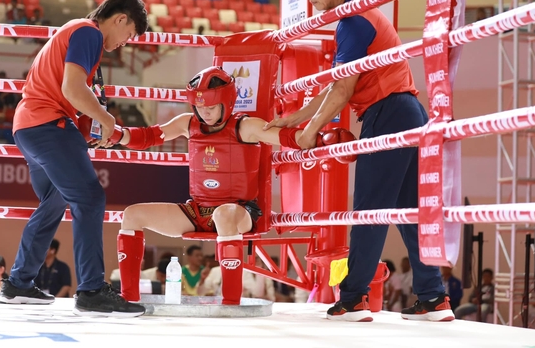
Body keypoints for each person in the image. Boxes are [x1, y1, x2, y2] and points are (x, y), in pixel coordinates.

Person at [263, 0, 454, 322]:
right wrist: (295, 119)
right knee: (408, 210)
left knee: (369, 208)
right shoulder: (358, 15)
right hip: (409, 112)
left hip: (388, 113)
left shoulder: (351, 20)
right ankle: (433, 297)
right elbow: (335, 86)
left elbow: (342, 90)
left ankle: (353, 298)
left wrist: (308, 133)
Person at [114, 66, 356, 305]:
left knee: (224, 215)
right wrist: (117, 135)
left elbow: (294, 139)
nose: (204, 112)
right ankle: (128, 299)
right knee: (132, 215)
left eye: (210, 106)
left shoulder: (245, 126)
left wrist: (326, 140)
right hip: (197, 210)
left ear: (227, 102)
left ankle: (231, 303)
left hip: (239, 211)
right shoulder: (186, 123)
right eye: (199, 106)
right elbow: (149, 136)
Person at [0, 0, 148, 318]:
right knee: (90, 198)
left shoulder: (76, 31)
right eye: (130, 34)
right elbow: (72, 89)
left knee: (54, 200)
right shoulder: (89, 32)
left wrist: (87, 134)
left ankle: (19, 283)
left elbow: (64, 91)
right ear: (120, 18)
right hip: (48, 125)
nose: (127, 42)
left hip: (28, 127)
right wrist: (107, 120)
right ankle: (92, 290)